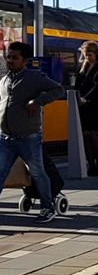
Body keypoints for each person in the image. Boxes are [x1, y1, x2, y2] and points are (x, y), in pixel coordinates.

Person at [0, 42, 65, 223]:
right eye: (9, 57)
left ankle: (47, 208)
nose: (10, 60)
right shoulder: (4, 80)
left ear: (25, 61)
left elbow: (58, 89)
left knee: (38, 173)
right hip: (5, 137)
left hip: (28, 138)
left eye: (15, 57)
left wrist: (38, 101)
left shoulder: (34, 78)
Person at [76, 40, 98, 176]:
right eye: (85, 55)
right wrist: (77, 96)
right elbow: (78, 84)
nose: (87, 58)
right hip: (83, 105)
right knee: (85, 135)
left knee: (94, 134)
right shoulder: (83, 68)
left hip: (96, 105)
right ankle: (90, 164)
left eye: (89, 55)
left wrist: (86, 98)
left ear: (96, 54)